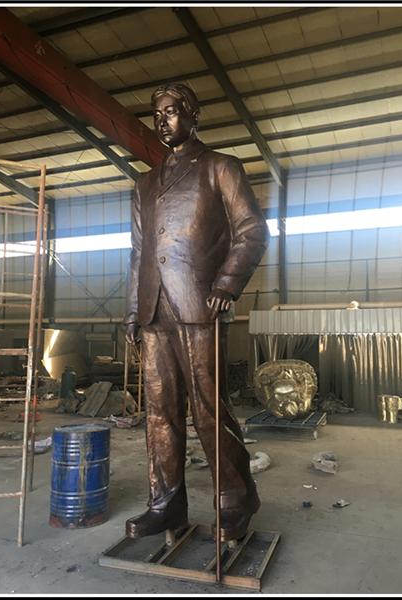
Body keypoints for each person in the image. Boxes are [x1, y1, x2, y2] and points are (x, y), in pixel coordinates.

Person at [123, 83, 269, 542]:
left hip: (199, 305)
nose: (162, 121)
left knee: (210, 410)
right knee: (159, 413)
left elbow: (252, 230)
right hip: (154, 309)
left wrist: (226, 284)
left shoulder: (220, 167)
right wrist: (132, 311)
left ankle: (236, 500)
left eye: (170, 111)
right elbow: (138, 253)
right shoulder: (144, 184)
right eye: (156, 115)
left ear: (193, 115)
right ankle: (165, 504)